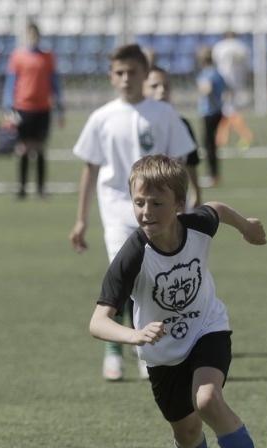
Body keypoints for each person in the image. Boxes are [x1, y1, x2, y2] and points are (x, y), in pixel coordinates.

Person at [88, 154, 267, 448]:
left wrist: (246, 227)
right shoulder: (133, 254)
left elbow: (217, 208)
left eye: (157, 203)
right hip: (161, 353)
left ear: (179, 205)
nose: (146, 212)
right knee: (187, 430)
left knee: (207, 400)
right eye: (139, 202)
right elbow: (97, 322)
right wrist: (135, 335)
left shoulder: (197, 225)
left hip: (207, 327)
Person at [71, 43, 197, 382]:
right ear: (111, 76)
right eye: (120, 73)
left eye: (133, 72)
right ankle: (114, 351)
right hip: (116, 209)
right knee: (125, 279)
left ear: (145, 73)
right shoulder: (101, 118)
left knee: (155, 279)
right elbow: (91, 169)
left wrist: (190, 202)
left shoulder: (164, 114)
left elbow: (182, 162)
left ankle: (146, 348)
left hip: (160, 212)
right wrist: (82, 218)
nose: (127, 79)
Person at [2, 22, 65, 199]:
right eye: (30, 34)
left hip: (43, 108)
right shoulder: (17, 56)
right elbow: (11, 83)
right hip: (24, 108)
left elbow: (55, 82)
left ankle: (41, 189)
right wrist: (8, 105)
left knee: (40, 148)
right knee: (23, 148)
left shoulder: (48, 56)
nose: (33, 37)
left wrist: (60, 105)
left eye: (35, 34)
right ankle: (22, 188)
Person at [143, 65, 202, 210]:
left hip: (173, 201)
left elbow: (191, 162)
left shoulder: (181, 122)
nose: (162, 90)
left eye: (166, 86)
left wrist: (197, 192)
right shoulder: (137, 123)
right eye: (154, 86)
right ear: (142, 88)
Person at [211, 31, 254, 151]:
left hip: (223, 80)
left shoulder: (220, 46)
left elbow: (215, 63)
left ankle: (245, 136)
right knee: (229, 109)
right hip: (238, 81)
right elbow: (247, 66)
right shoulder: (242, 47)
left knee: (229, 110)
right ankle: (222, 138)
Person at [195, 47, 228, 187]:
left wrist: (208, 97)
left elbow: (207, 89)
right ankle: (214, 174)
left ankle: (212, 175)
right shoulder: (217, 73)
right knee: (211, 144)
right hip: (218, 110)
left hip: (209, 112)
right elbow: (226, 89)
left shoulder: (207, 74)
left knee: (208, 144)